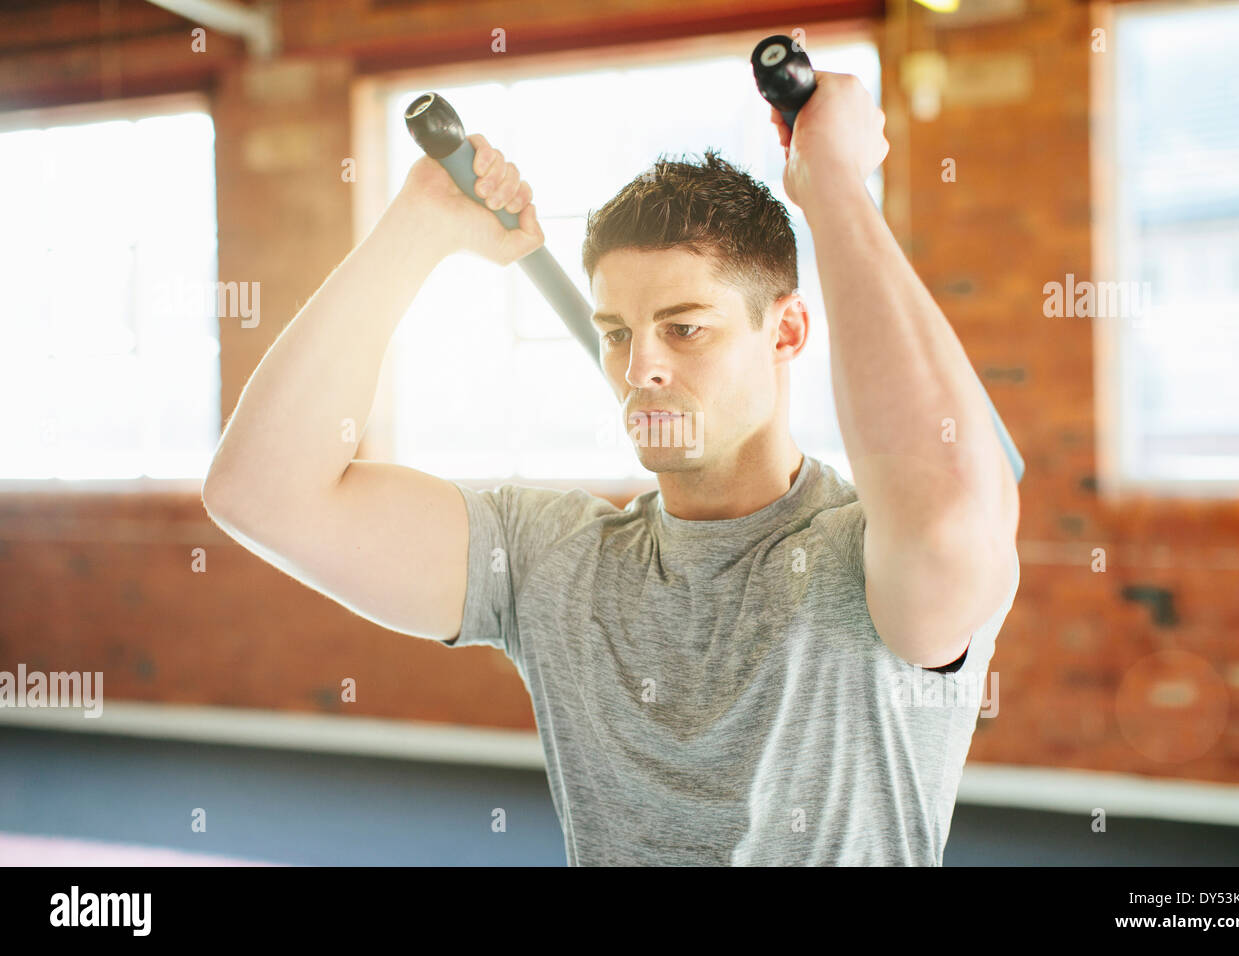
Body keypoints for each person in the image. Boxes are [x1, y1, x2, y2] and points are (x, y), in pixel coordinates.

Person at [202, 69, 1020, 866]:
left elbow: (947, 519)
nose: (639, 371)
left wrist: (835, 184)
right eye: (619, 332)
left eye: (685, 328)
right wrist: (419, 226)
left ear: (787, 334)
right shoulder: (554, 559)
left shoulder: (870, 557)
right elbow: (263, 492)